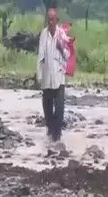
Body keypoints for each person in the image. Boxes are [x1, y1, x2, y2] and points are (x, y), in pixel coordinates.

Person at [37, 7, 69, 143]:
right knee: (47, 107)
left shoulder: (62, 35)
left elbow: (68, 56)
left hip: (59, 77)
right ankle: (50, 133)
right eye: (48, 19)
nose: (50, 22)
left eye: (52, 19)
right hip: (46, 77)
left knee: (60, 108)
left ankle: (57, 136)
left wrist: (61, 48)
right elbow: (40, 56)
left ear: (57, 20)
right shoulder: (43, 34)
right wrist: (38, 75)